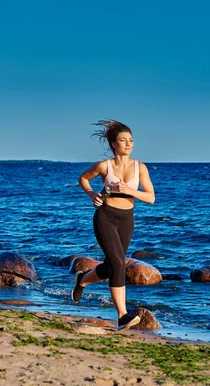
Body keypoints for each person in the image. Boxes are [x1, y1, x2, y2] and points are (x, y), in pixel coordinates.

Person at [73, 119, 155, 331]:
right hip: (105, 216)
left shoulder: (140, 167)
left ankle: (82, 280)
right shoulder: (104, 166)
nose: (128, 144)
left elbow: (151, 197)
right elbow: (83, 178)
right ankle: (122, 316)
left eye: (131, 140)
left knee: (112, 266)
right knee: (119, 264)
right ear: (113, 144)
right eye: (123, 140)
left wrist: (130, 191)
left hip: (126, 219)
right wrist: (91, 193)